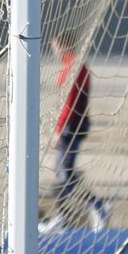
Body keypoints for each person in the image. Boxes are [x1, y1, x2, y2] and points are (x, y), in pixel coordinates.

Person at [40, 32, 110, 236]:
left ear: (62, 45)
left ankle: (95, 205)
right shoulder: (73, 66)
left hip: (73, 125)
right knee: (64, 171)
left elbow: (70, 102)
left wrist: (59, 130)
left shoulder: (74, 66)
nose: (53, 50)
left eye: (54, 45)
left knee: (64, 172)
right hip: (76, 124)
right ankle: (67, 215)